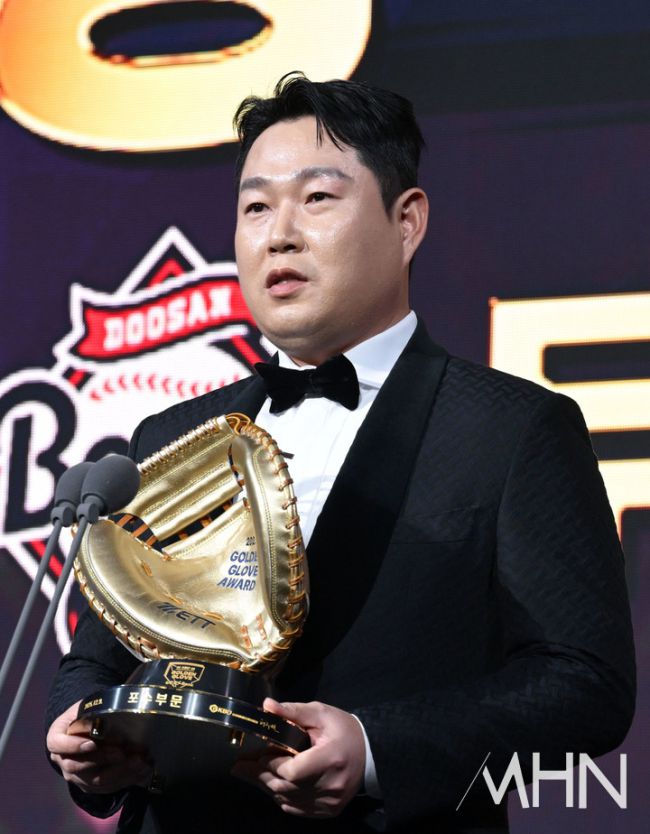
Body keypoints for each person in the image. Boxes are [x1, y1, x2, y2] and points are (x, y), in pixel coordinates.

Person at [46, 73, 635, 834]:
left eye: (317, 198)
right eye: (256, 207)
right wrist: (82, 732)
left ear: (407, 221)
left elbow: (584, 685)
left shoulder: (512, 430)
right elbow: (98, 658)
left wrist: (376, 748)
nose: (279, 234)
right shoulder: (172, 436)